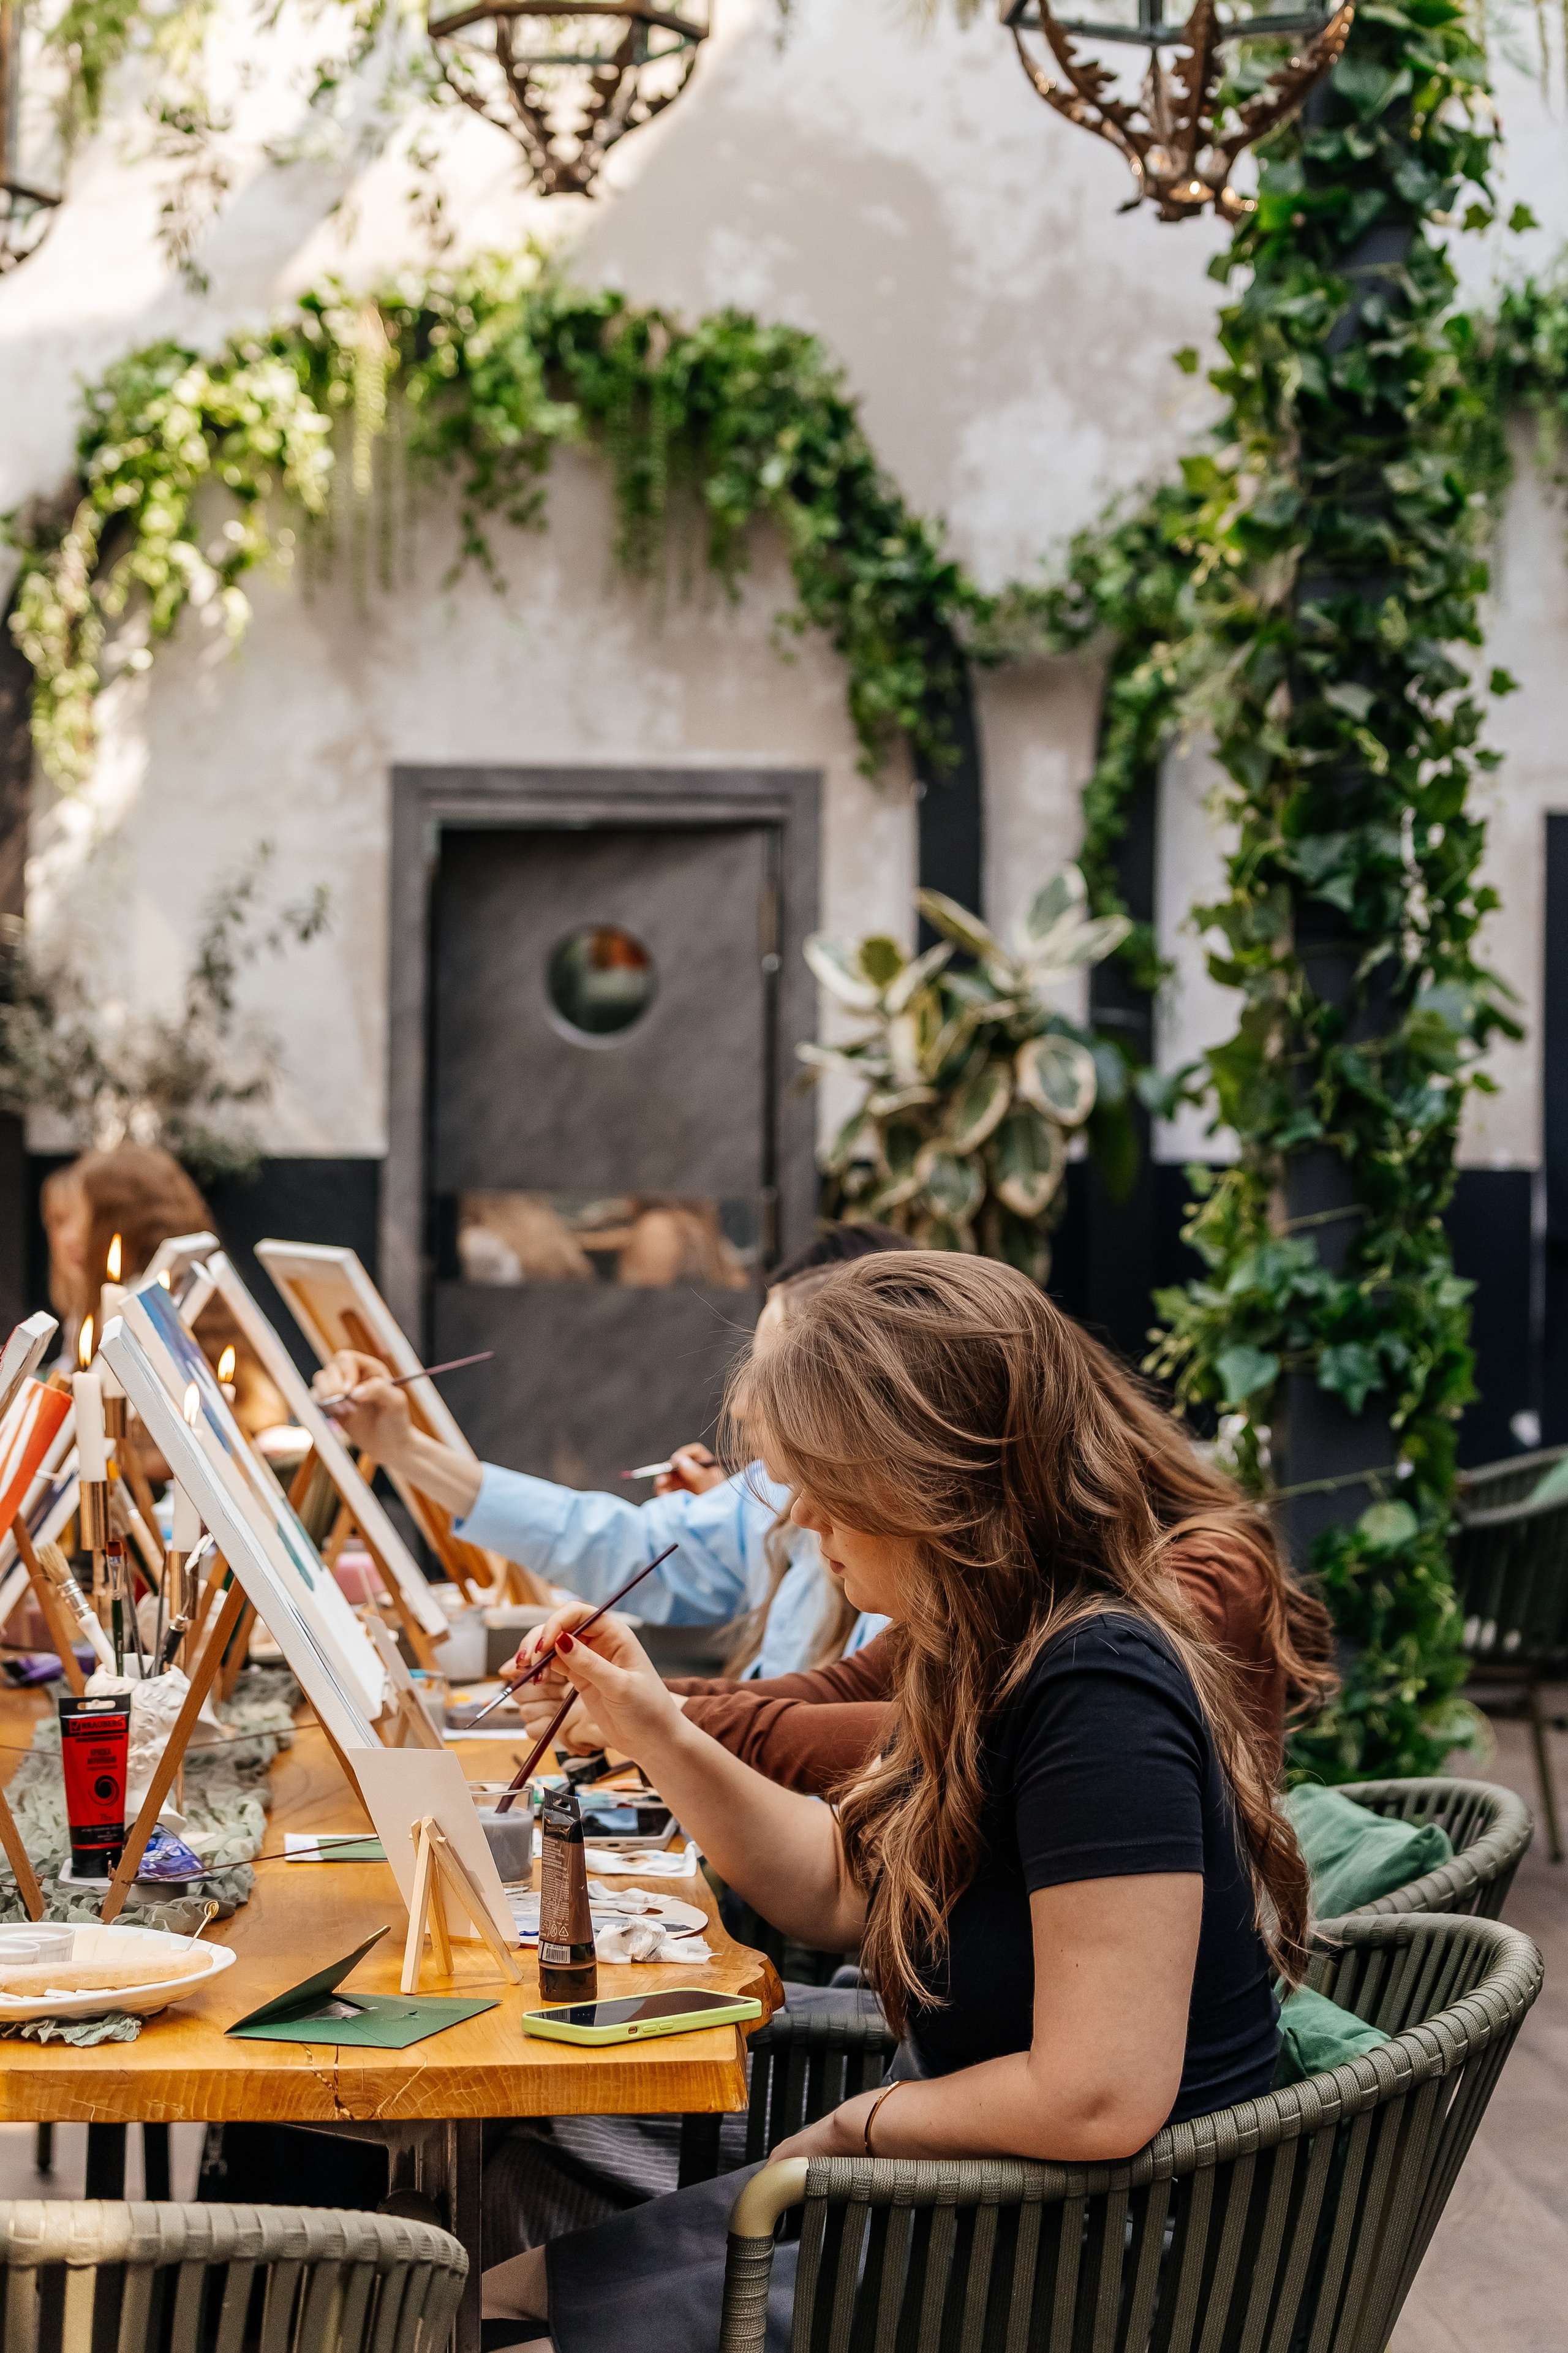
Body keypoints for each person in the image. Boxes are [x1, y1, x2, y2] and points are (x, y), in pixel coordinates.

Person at [481, 1254, 1309, 2353]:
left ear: (928, 1481)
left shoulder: (1096, 1688)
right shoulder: (980, 1642)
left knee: (496, 2310)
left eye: (826, 1480)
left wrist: (852, 2129)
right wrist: (654, 1728)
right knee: (488, 2293)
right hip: (959, 2198)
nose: (800, 1512)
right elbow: (836, 1885)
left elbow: (1099, 2095)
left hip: (1076, 2261)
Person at [513, 1322, 1338, 1786]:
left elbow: (923, 1742)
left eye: (835, 1476)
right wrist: (634, 1702)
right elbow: (849, 1693)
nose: (800, 1512)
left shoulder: (1159, 1607)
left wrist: (660, 1719)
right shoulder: (1036, 1585)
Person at [311, 1222, 913, 1677]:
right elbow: (622, 1545)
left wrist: (658, 1717)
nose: (739, 1407)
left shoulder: (905, 1588)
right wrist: (405, 1449)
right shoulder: (766, 1499)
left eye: (769, 1374)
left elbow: (815, 1739)